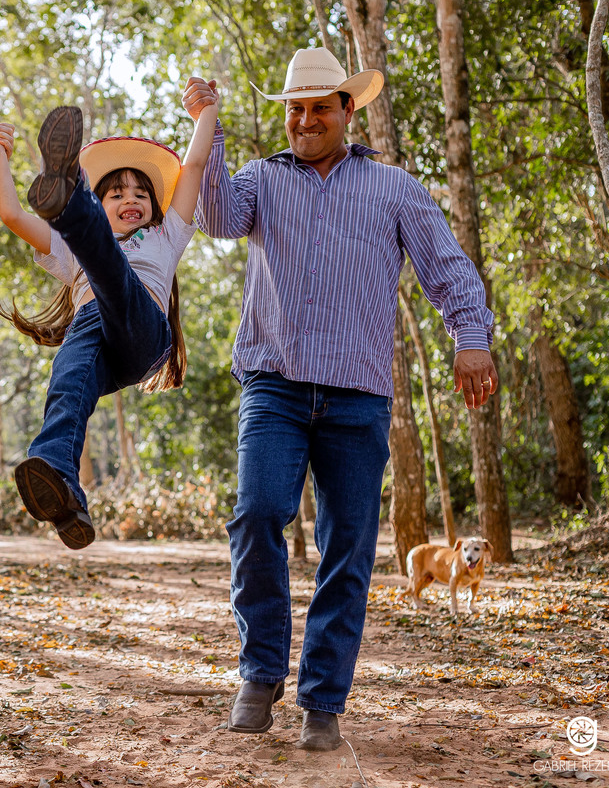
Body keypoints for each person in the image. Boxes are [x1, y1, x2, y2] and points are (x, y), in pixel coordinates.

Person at [182, 47, 498, 751]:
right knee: (256, 514)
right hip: (274, 384)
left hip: (358, 398)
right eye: (295, 109)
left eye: (319, 108)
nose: (305, 120)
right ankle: (261, 672)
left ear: (347, 110)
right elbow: (216, 217)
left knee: (347, 547)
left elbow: (446, 267)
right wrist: (208, 124)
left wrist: (471, 338)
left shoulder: (393, 188)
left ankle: (322, 703)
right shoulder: (261, 179)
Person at [0, 98, 218, 549]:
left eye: (141, 194)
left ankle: (69, 200)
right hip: (98, 344)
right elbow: (12, 215)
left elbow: (195, 164)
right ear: (103, 205)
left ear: (154, 207)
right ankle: (63, 485)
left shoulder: (166, 235)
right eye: (116, 194)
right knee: (68, 381)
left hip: (144, 334)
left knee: (110, 270)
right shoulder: (69, 253)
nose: (131, 200)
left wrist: (206, 112)